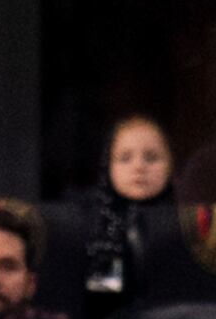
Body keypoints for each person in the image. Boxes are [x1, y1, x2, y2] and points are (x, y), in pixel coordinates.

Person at [71, 115, 175, 306]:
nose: (139, 167)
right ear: (108, 166)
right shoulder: (91, 226)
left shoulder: (185, 226)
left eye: (151, 158)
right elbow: (98, 303)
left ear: (170, 165)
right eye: (125, 158)